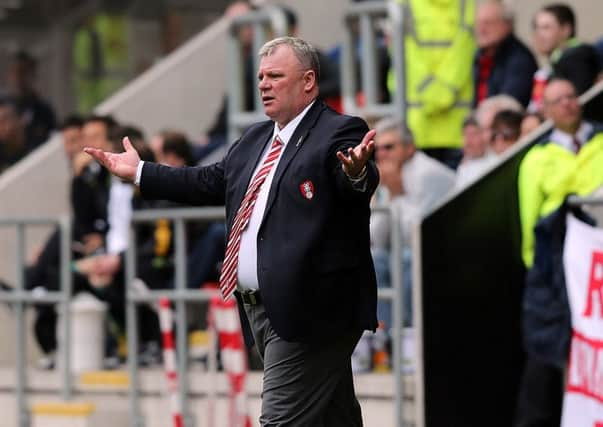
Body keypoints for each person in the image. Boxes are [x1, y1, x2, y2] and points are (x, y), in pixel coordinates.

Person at [85, 36, 379, 426]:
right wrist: (140, 172)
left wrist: (356, 171)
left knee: (279, 420)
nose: (264, 84)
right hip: (262, 307)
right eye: (260, 77)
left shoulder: (338, 131)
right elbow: (206, 182)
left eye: (275, 76)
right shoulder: (255, 139)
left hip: (313, 310)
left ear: (308, 81)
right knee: (333, 418)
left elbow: (354, 179)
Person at [516, 78, 603, 427]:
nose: (567, 103)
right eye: (557, 100)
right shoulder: (536, 159)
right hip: (554, 271)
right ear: (547, 111)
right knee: (545, 361)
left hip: (596, 266)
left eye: (571, 96)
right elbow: (528, 224)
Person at [370, 117, 455, 328]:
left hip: (443, 248)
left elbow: (415, 234)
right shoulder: (388, 173)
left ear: (409, 148)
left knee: (407, 259)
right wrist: (391, 193)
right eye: (378, 149)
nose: (382, 154)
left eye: (389, 147)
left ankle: (408, 332)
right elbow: (376, 238)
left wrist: (396, 193)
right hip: (407, 248)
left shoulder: (428, 173)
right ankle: (385, 334)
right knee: (375, 258)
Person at [388, 0, 475, 170]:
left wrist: (431, 92)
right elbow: (402, 52)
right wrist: (442, 94)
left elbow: (466, 49)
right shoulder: (403, 4)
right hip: (425, 127)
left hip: (434, 126)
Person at [473, 0, 538, 108]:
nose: (481, 29)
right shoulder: (480, 56)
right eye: (478, 23)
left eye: (488, 23)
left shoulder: (519, 60)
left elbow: (506, 110)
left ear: (507, 24)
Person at [4, 50, 56, 149]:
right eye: (14, 72)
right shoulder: (3, 105)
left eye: (23, 72)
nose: (18, 78)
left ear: (33, 75)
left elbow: (51, 142)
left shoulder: (43, 110)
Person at [455, 115, 497, 188]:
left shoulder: (495, 162)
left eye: (473, 135)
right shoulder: (463, 167)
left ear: (484, 136)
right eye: (465, 135)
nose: (468, 141)